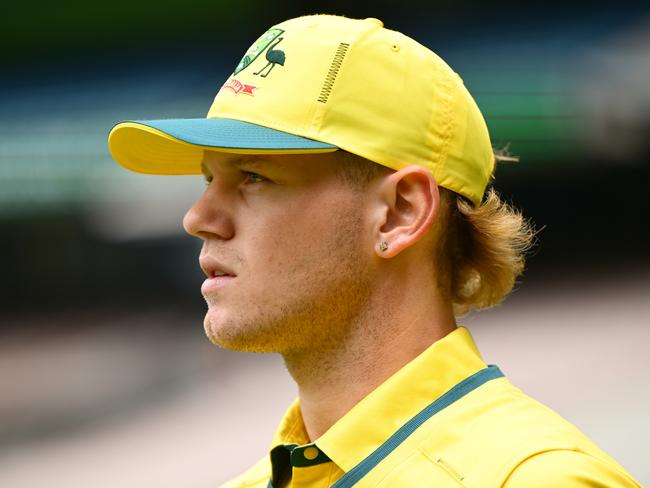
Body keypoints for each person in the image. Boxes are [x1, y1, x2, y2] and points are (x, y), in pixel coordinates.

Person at [108, 14, 640, 488]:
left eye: (252, 176)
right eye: (208, 179)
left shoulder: (539, 478)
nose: (197, 218)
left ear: (400, 212)